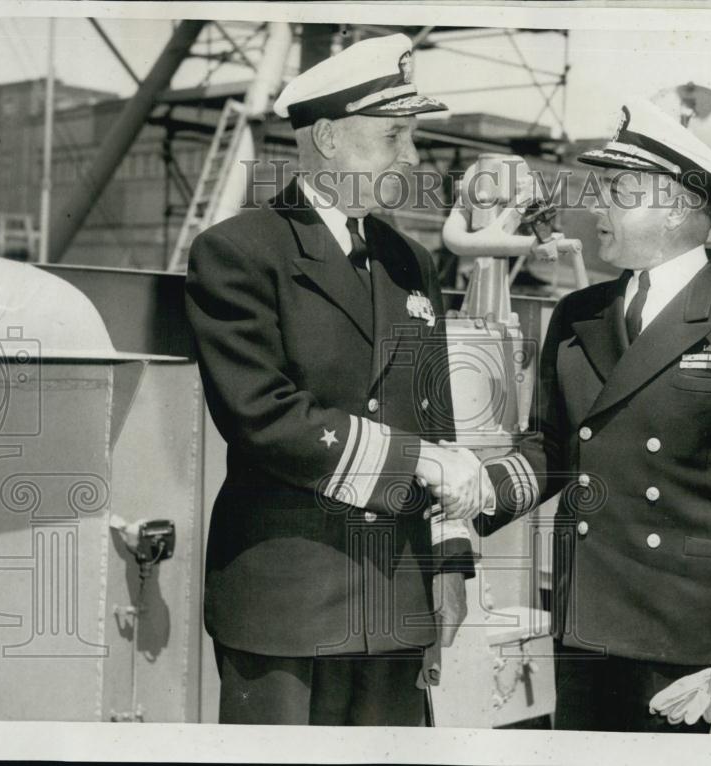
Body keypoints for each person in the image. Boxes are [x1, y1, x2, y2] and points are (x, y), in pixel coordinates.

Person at [475, 96, 711, 732]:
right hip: (586, 627)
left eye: (618, 190)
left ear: (676, 207)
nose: (596, 205)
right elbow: (550, 450)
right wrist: (478, 488)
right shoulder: (577, 315)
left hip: (693, 645)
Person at [185, 33, 491, 726]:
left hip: (396, 600)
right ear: (326, 138)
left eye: (412, 138)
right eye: (393, 136)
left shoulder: (411, 261)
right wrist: (419, 462)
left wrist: (449, 568)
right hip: (288, 605)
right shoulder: (240, 253)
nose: (412, 158)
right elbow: (262, 415)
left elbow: (434, 420)